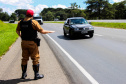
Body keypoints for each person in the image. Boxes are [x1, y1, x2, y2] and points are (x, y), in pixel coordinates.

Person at [16, 9, 55, 80]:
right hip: (32, 43)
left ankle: (23, 74)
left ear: (26, 14)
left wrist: (21, 36)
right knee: (35, 58)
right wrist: (50, 31)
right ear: (32, 15)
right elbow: (42, 31)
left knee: (24, 58)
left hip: (24, 42)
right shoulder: (34, 22)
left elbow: (17, 30)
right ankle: (36, 75)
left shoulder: (20, 22)